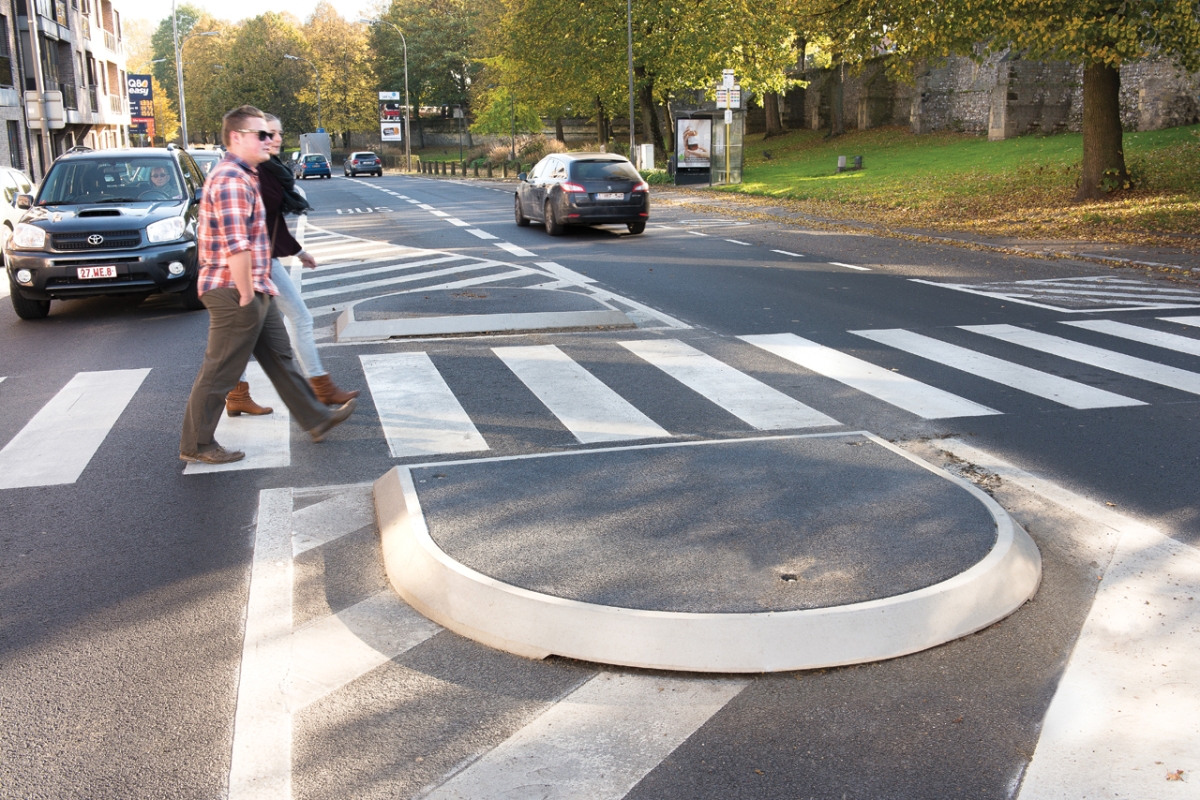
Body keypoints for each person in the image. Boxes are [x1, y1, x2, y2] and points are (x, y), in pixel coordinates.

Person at [179, 104, 355, 465]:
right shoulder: (230, 179)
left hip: (256, 285)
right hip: (234, 288)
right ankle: (196, 444)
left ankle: (316, 418)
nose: (270, 139)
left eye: (271, 133)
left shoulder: (248, 175)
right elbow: (236, 245)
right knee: (220, 370)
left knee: (279, 356)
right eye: (261, 134)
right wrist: (246, 294)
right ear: (236, 137)